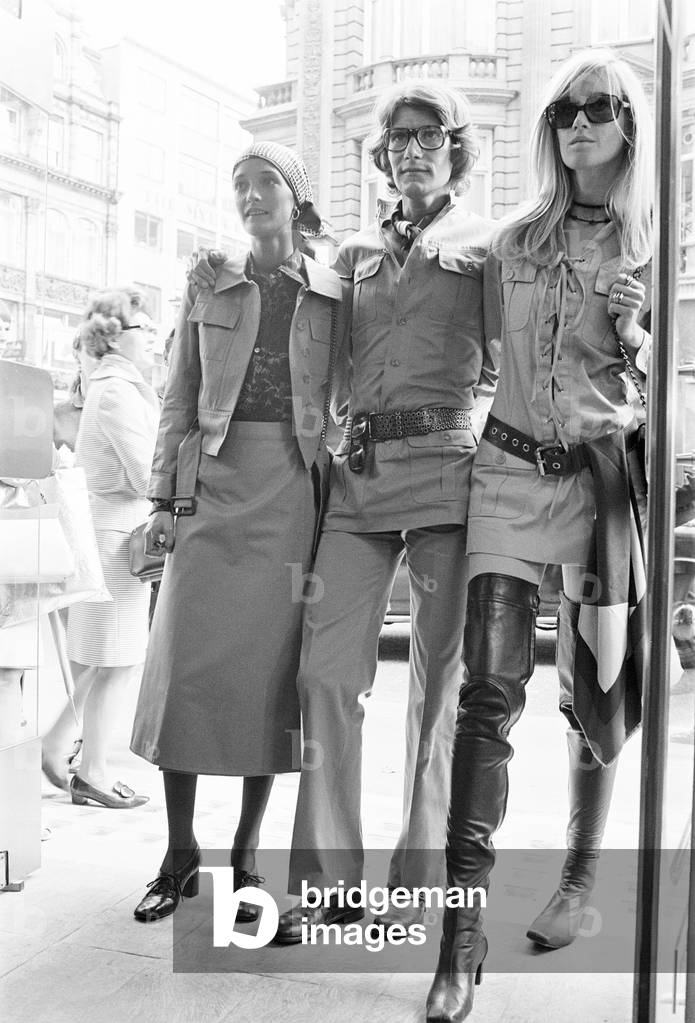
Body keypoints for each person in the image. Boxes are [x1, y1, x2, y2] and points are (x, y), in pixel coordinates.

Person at [425, 49, 653, 1021]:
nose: (576, 121)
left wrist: (644, 346)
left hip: (601, 489)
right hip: (509, 476)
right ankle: (458, 935)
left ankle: (574, 880)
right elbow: (442, 335)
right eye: (563, 107)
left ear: (628, 125)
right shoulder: (507, 244)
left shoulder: (657, 253)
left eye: (597, 107)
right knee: (486, 697)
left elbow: (660, 400)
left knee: (596, 699)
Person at [264, 81, 500, 940]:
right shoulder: (352, 253)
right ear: (381, 154)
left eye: (428, 134)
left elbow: (513, 354)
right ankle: (330, 883)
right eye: (398, 137)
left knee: (438, 688)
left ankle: (419, 878)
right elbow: (308, 349)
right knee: (326, 676)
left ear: (455, 147)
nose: (411, 149)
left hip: (446, 476)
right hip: (359, 483)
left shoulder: (491, 244)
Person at [129, 142, 346, 923]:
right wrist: (162, 499)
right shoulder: (206, 281)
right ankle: (179, 851)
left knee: (267, 681)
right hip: (206, 490)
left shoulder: (333, 288)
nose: (251, 197)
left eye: (267, 184)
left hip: (291, 493)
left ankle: (246, 857)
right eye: (240, 186)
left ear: (296, 197)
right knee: (183, 669)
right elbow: (176, 397)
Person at [40, 290, 159, 804]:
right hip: (117, 543)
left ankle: (53, 748)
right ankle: (93, 774)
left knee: (103, 659)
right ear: (116, 338)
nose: (153, 339)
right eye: (144, 329)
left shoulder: (115, 387)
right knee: (119, 662)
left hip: (112, 538)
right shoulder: (116, 391)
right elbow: (145, 475)